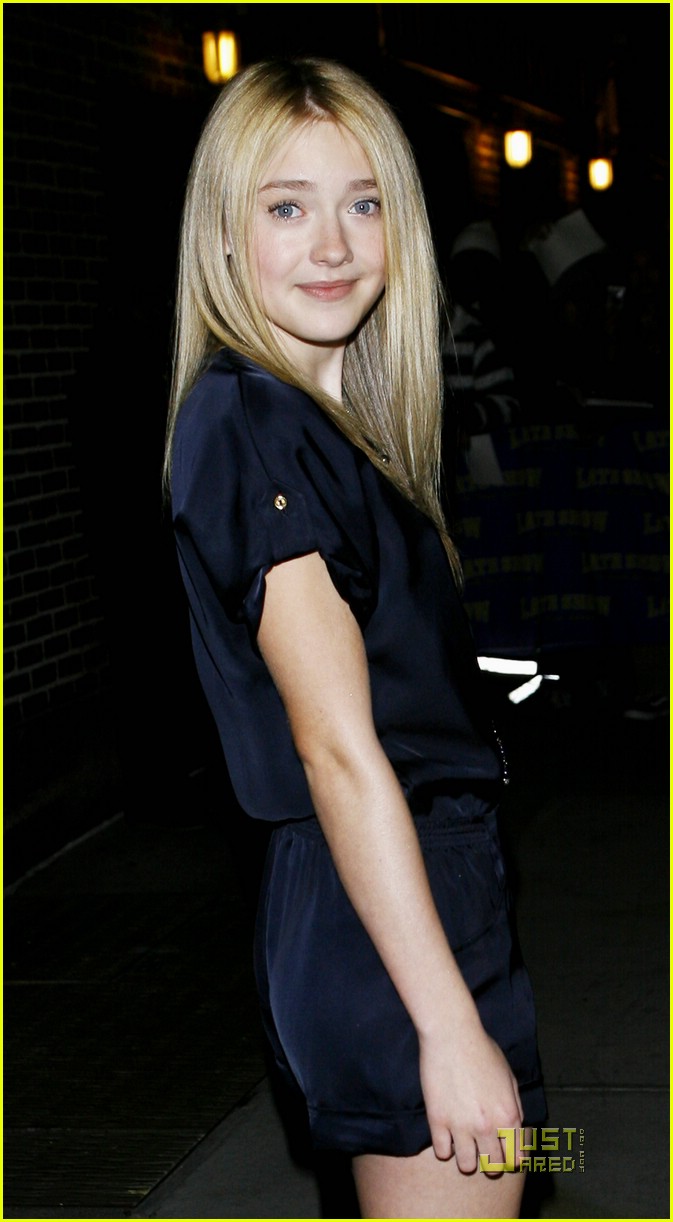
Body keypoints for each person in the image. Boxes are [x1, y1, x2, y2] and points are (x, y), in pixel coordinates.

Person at [164, 57, 545, 1219]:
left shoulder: (320, 426)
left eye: (363, 201)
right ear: (224, 235)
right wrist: (446, 1024)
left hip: (411, 890)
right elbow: (336, 748)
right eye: (286, 207)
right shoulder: (252, 421)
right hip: (380, 904)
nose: (332, 243)